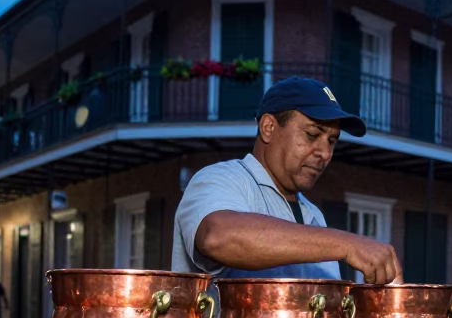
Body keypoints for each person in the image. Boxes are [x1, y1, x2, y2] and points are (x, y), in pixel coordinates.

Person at [172, 76, 402, 284]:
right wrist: (348, 244)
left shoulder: (314, 216)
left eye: (332, 141)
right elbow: (218, 237)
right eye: (312, 134)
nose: (326, 153)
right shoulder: (221, 178)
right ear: (269, 127)